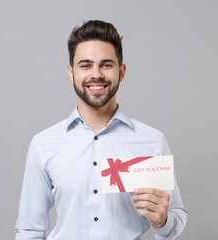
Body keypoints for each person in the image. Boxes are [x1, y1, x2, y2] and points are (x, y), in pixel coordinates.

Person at [15, 20, 187, 240]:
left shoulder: (151, 141)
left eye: (106, 65)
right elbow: (29, 230)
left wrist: (162, 221)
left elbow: (175, 217)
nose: (96, 74)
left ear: (121, 71)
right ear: (71, 73)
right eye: (85, 65)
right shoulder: (43, 145)